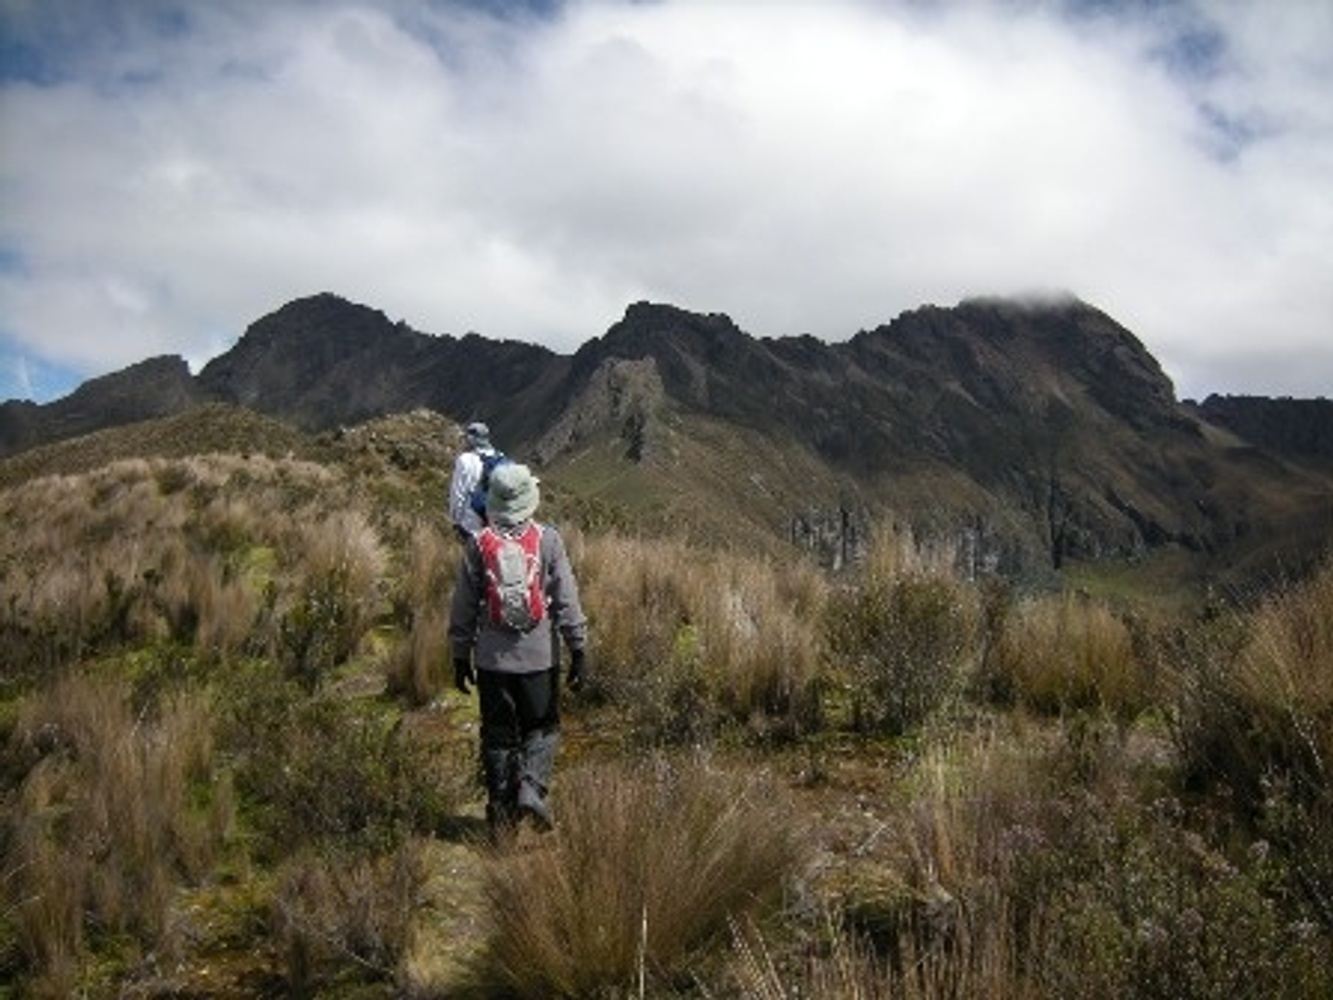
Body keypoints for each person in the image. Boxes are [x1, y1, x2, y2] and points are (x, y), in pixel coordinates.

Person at [448, 462, 588, 835]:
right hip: (539, 659)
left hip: (492, 661)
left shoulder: (478, 544)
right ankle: (531, 787)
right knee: (542, 728)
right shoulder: (548, 540)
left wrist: (460, 654)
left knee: (498, 736)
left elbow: (463, 606)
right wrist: (578, 647)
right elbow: (566, 599)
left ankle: (500, 822)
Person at [448, 421, 501, 540]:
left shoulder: (465, 460)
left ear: (471, 439)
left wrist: (455, 521)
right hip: (497, 527)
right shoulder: (500, 458)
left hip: (471, 525)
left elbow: (458, 494)